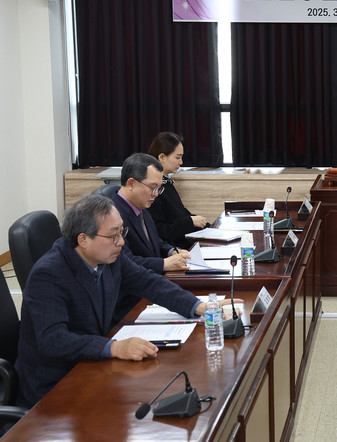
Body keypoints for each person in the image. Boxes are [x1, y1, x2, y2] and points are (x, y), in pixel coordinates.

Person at [14, 194, 238, 408]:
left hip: (93, 367)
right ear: (83, 239)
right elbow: (53, 340)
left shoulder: (108, 256)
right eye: (113, 235)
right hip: (55, 387)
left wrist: (199, 306)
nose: (121, 242)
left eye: (122, 232)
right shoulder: (49, 274)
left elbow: (147, 282)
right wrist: (114, 347)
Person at [112, 153, 190, 274]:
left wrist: (172, 251)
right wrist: (163, 264)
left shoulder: (142, 207)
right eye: (152, 188)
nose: (156, 194)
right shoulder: (113, 215)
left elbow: (155, 241)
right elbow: (124, 261)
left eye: (159, 188)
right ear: (131, 183)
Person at [147, 132, 209, 249]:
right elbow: (160, 231)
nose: (181, 162)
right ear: (162, 157)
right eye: (177, 157)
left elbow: (180, 214)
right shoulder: (152, 188)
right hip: (174, 249)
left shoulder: (167, 183)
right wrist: (190, 222)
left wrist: (204, 225)